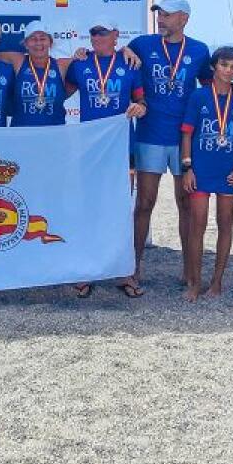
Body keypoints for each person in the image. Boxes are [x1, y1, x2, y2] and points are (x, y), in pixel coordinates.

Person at [128, 0, 214, 295]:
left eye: (166, 14)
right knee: (144, 204)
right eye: (158, 14)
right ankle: (133, 269)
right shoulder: (142, 44)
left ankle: (190, 273)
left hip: (184, 137)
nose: (160, 19)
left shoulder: (200, 50)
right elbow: (118, 59)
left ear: (183, 19)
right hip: (150, 133)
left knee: (186, 204)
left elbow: (212, 86)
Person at [65, 17, 147, 298]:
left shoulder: (130, 64)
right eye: (93, 33)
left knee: (121, 210)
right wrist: (71, 55)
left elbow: (142, 101)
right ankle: (86, 270)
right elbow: (62, 89)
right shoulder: (80, 63)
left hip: (122, 147)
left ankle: (123, 271)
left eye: (103, 33)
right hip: (90, 149)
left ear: (115, 34)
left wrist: (139, 108)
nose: (97, 38)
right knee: (90, 209)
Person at [180, 46, 233, 301]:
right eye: (224, 65)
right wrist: (187, 168)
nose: (229, 71)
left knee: (225, 224)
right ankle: (195, 283)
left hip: (226, 172)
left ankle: (217, 282)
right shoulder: (199, 96)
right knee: (197, 225)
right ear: (214, 67)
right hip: (200, 170)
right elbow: (187, 133)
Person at [2, 20, 76, 126]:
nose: (38, 43)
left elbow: (83, 63)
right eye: (33, 39)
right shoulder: (18, 61)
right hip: (21, 135)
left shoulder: (61, 65)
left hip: (54, 134)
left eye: (43, 38)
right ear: (26, 44)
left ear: (50, 43)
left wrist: (81, 52)